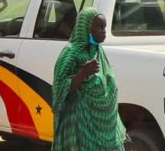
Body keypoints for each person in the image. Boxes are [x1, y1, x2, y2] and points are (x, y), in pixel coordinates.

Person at [50, 8, 126, 151]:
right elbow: (59, 89)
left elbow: (107, 85)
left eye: (104, 27)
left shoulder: (99, 51)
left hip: (104, 126)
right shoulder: (71, 53)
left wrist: (118, 126)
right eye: (99, 27)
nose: (103, 31)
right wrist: (83, 73)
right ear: (86, 28)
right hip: (81, 125)